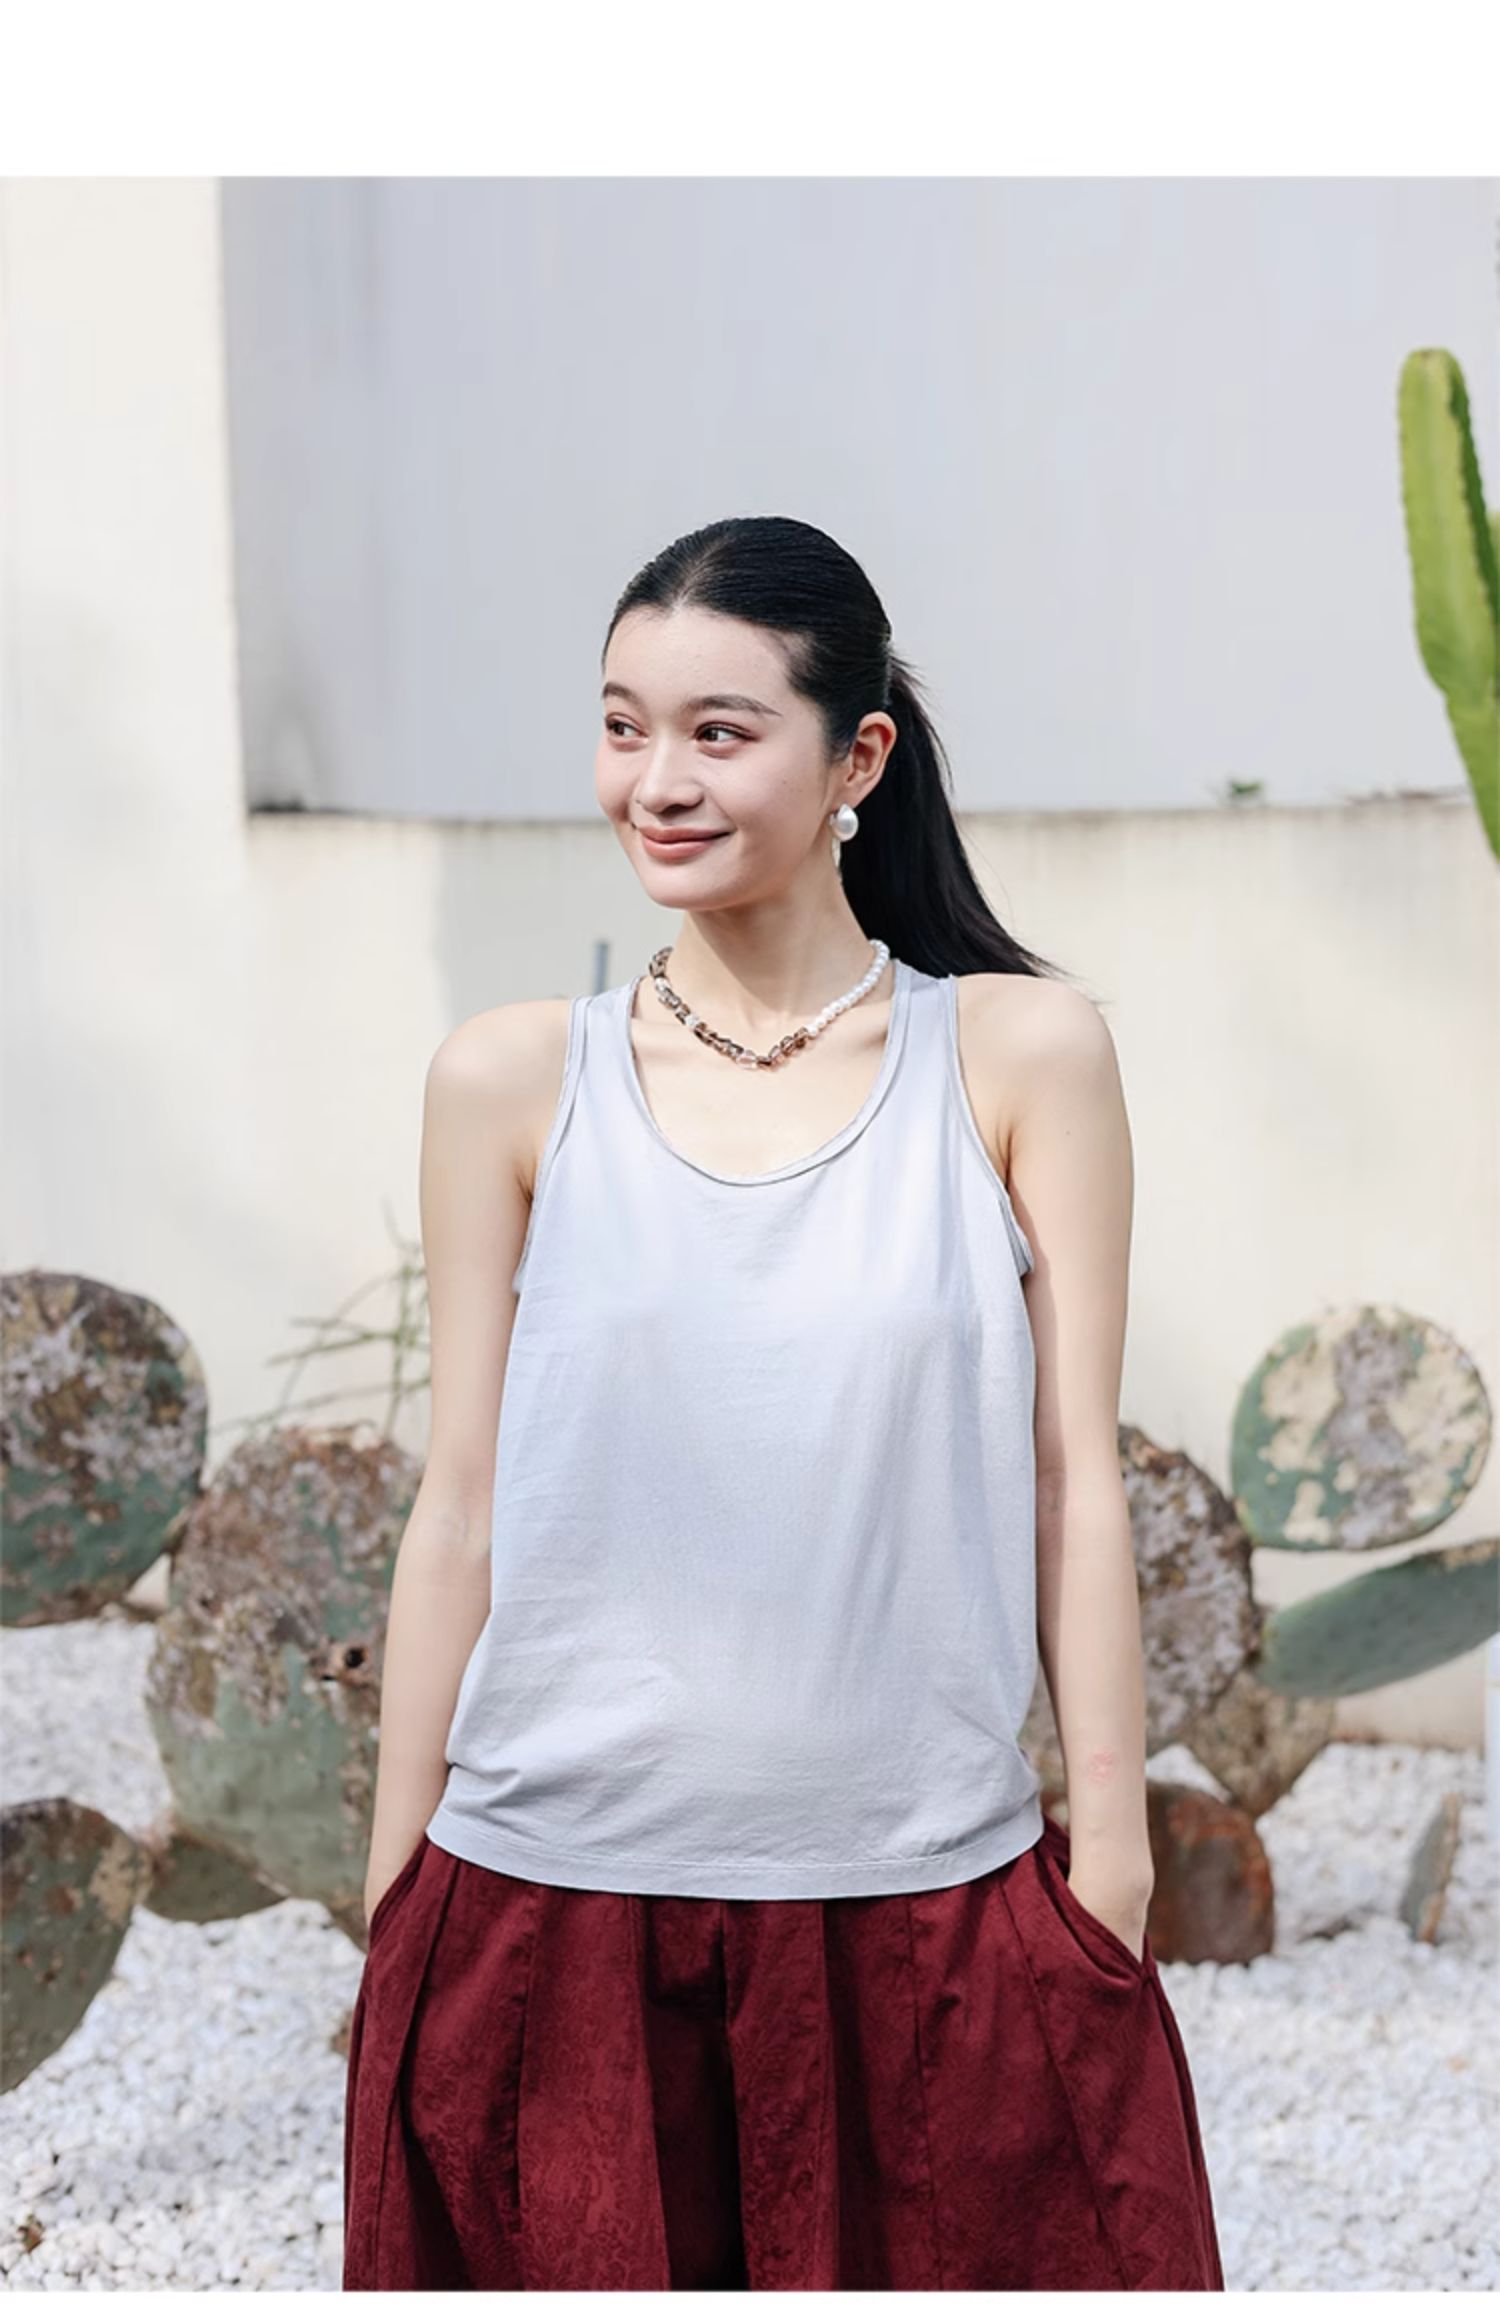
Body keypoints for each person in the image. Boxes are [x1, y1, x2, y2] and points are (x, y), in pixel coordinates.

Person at [342, 514, 1225, 2292]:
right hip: (547, 1909)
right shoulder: (508, 1079)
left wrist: (1112, 1868)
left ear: (857, 759)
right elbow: (462, 1502)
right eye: (622, 726)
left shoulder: (1020, 1056)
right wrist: (395, 1901)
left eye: (718, 731)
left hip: (930, 1906)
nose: (655, 780)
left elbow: (1074, 1480)